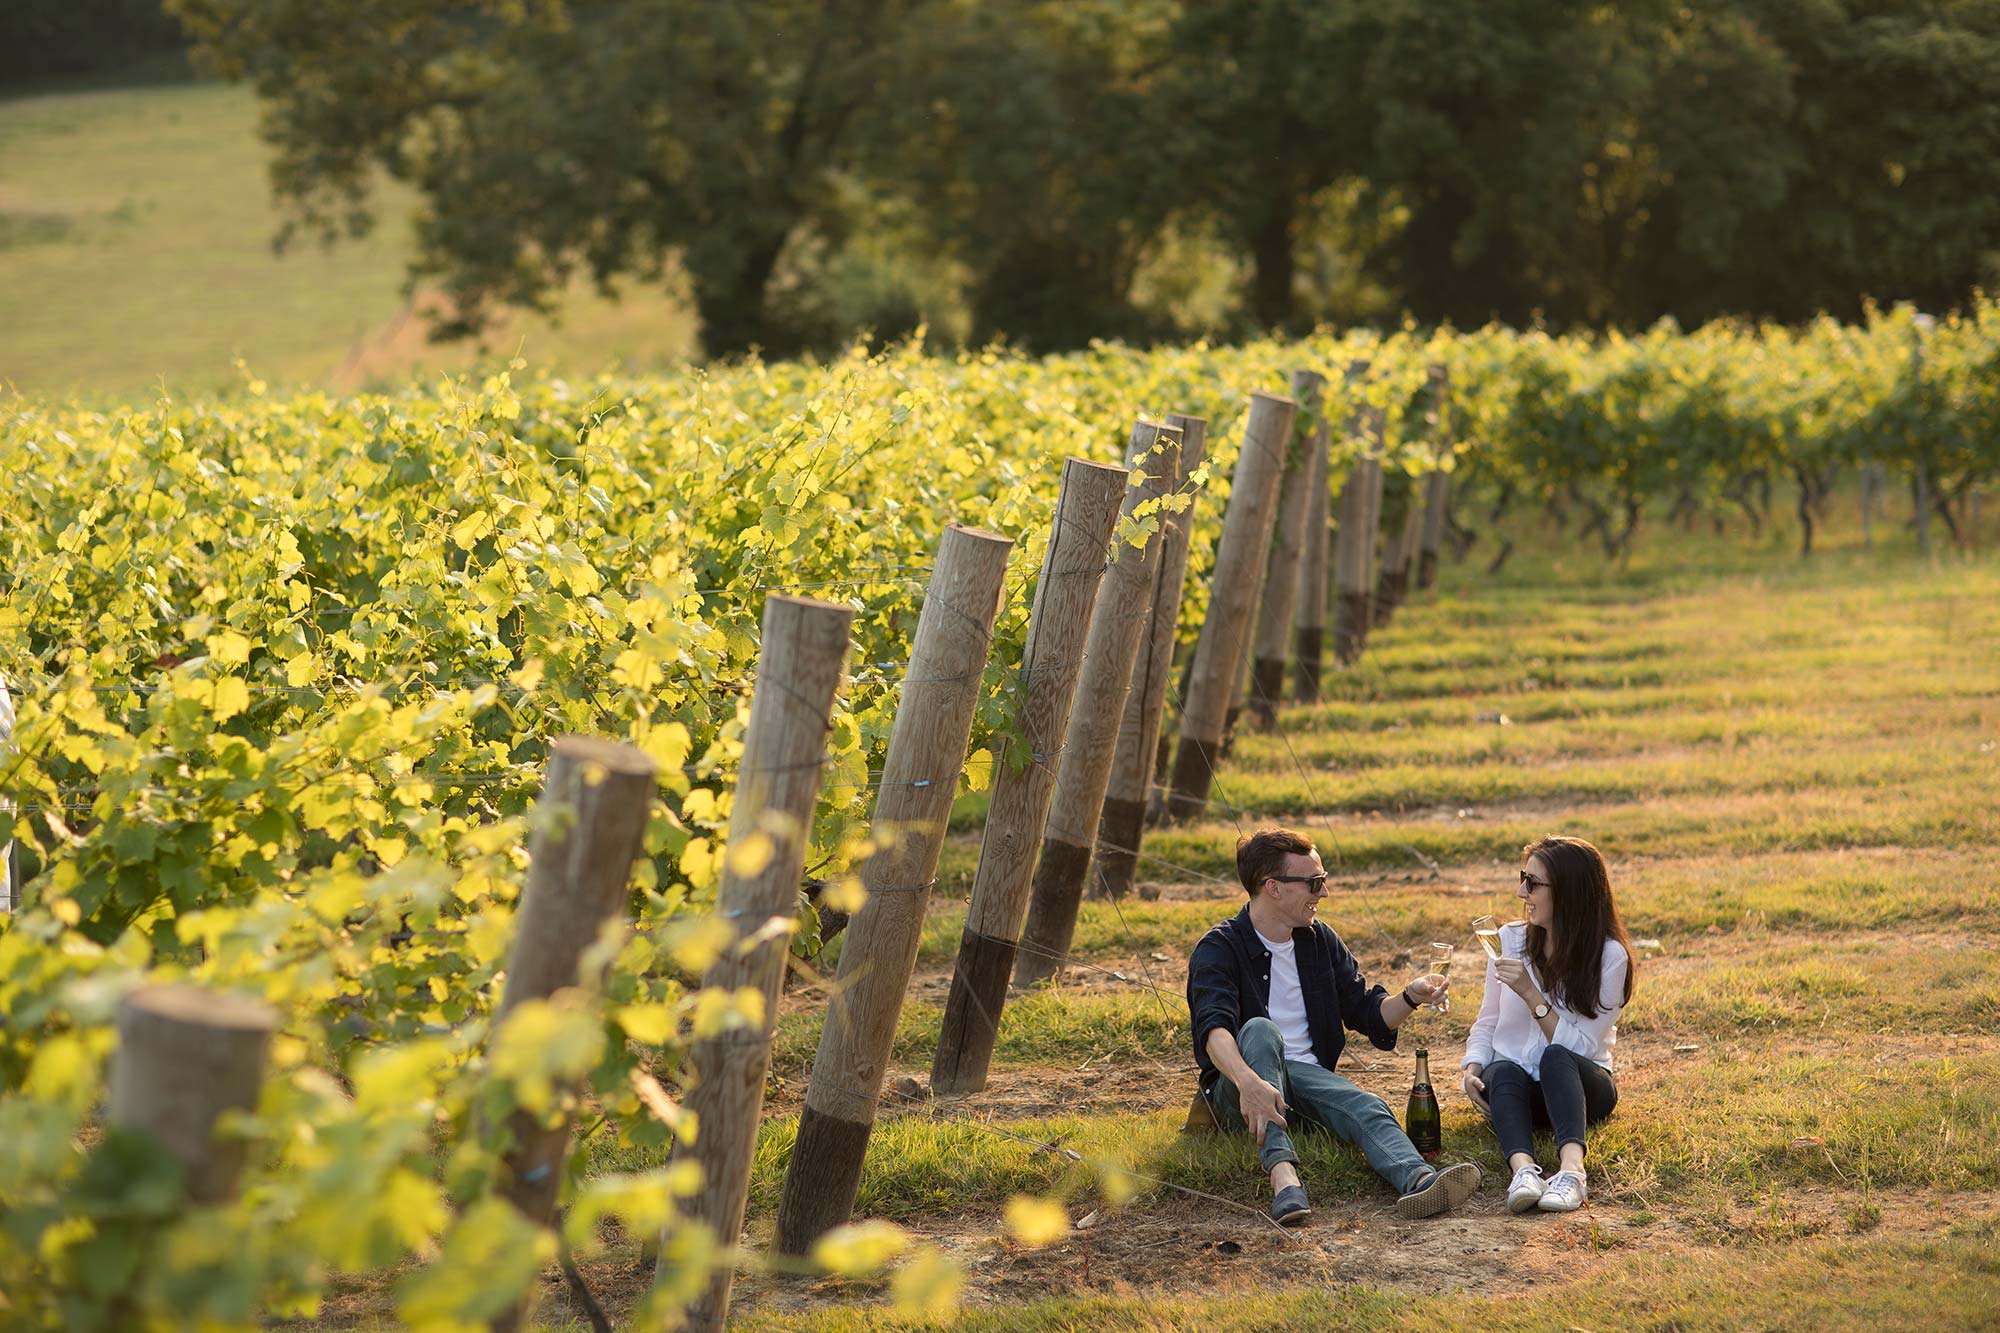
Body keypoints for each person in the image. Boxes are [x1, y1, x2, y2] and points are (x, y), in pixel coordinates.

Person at [1187, 827, 1482, 1225]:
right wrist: (1249, 1083)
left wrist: (1410, 996)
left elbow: (1367, 1012)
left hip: (1305, 1084)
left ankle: (1421, 1181)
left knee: (1367, 1105)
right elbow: (1213, 1032)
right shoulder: (1219, 947)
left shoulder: (1319, 940)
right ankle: (1284, 1178)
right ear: (1273, 887)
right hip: (1238, 1091)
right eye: (1314, 882)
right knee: (1259, 1030)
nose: (1323, 893)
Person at [1462, 835, 1636, 1214]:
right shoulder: (1509, 939)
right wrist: (1472, 1068)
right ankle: (1524, 1172)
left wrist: (1531, 994)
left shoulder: (1609, 957)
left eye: (1533, 883)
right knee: (1502, 1068)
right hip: (1518, 1094)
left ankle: (1572, 1172)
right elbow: (1488, 1019)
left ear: (1569, 892)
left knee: (1556, 1056)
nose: (1521, 892)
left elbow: (1583, 1049)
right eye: (1522, 878)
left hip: (1581, 1091)